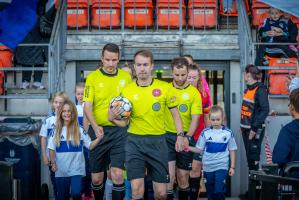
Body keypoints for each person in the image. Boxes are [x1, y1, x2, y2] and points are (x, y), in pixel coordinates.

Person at [108, 50, 186, 200]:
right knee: (136, 190)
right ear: (134, 67)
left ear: (151, 66)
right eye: (139, 65)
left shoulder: (165, 88)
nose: (142, 68)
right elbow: (125, 122)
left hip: (158, 143)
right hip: (134, 143)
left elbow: (176, 114)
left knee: (161, 194)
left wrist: (180, 135)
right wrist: (112, 119)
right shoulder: (127, 90)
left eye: (145, 64)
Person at [83, 43, 131, 200]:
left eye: (114, 60)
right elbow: (87, 106)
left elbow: (130, 103)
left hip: (120, 131)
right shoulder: (92, 78)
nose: (111, 64)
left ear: (118, 59)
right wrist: (95, 126)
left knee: (117, 175)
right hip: (99, 131)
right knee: (97, 178)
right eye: (108, 60)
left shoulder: (126, 77)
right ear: (101, 58)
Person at [48, 100, 102, 200]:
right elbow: (51, 148)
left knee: (76, 193)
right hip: (61, 170)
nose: (67, 113)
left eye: (69, 111)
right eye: (64, 111)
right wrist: (53, 163)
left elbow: (90, 145)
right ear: (60, 113)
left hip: (76, 169)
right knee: (62, 196)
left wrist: (99, 138)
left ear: (74, 113)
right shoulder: (55, 130)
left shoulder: (80, 130)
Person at [164, 57, 202, 200]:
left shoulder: (194, 93)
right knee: (169, 176)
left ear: (187, 72)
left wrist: (187, 137)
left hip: (186, 137)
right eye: (176, 75)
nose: (180, 78)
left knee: (182, 177)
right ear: (172, 73)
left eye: (183, 75)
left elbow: (196, 119)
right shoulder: (166, 90)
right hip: (167, 136)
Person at [186, 105, 237, 200]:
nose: (215, 122)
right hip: (208, 167)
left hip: (221, 166)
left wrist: (232, 167)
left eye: (218, 119)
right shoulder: (205, 133)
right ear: (209, 119)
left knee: (219, 191)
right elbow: (199, 149)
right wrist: (188, 147)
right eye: (213, 120)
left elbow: (232, 150)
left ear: (222, 119)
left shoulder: (228, 133)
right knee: (210, 192)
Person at [187, 63, 212, 200]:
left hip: (199, 137)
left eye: (194, 77)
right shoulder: (178, 93)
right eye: (189, 77)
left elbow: (207, 117)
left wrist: (208, 135)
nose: (191, 80)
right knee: (183, 173)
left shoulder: (204, 95)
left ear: (199, 78)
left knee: (196, 170)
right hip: (183, 136)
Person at [39, 91, 69, 199]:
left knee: (66, 186)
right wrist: (44, 155)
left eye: (61, 103)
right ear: (53, 104)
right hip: (53, 160)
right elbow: (43, 138)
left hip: (67, 158)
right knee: (56, 184)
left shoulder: (69, 120)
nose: (58, 105)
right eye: (56, 102)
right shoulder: (48, 120)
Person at [240, 64, 269, 171]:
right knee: (250, 160)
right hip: (246, 130)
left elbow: (264, 109)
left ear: (248, 75)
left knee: (253, 160)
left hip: (253, 130)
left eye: (244, 73)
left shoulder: (260, 89)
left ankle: (255, 186)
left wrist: (254, 128)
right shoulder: (249, 89)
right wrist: (242, 126)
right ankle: (252, 186)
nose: (243, 75)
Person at [75, 82, 92, 200]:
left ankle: (88, 192)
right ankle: (80, 191)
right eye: (78, 94)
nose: (80, 96)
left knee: (90, 168)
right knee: (80, 168)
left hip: (89, 143)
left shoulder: (90, 108)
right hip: (78, 144)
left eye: (82, 94)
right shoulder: (73, 109)